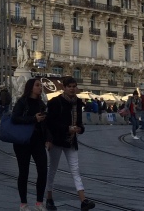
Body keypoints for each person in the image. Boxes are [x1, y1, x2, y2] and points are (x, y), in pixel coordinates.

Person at [45, 77, 95, 211]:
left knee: (75, 170)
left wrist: (80, 129)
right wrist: (66, 129)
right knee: (53, 169)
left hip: (71, 140)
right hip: (57, 140)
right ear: (64, 87)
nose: (72, 89)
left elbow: (79, 122)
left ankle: (83, 200)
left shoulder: (78, 103)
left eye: (74, 86)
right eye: (69, 86)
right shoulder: (55, 102)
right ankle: (49, 198)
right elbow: (50, 123)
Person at [11, 78, 48, 211]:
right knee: (24, 172)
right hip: (23, 141)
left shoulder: (41, 104)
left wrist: (48, 139)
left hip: (37, 140)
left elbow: (45, 124)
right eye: (37, 85)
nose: (40, 87)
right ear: (30, 87)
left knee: (43, 170)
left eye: (41, 85)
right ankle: (23, 204)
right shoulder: (22, 102)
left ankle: (39, 203)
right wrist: (33, 119)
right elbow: (14, 118)